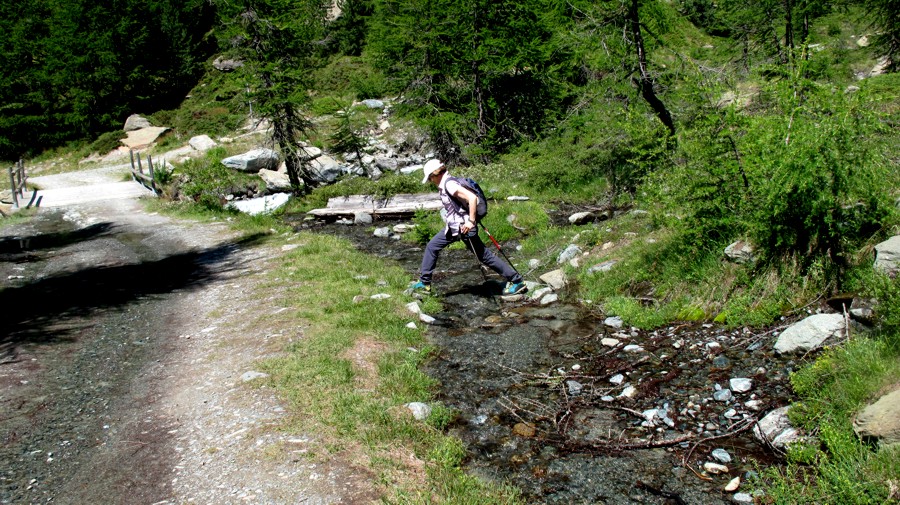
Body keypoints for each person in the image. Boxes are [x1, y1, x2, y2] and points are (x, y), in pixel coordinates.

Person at [410, 159, 527, 296]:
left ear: (436, 174)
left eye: (430, 178)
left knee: (484, 256)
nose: (431, 181)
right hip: (454, 227)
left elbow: (472, 198)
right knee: (432, 246)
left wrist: (471, 221)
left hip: (464, 227)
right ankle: (425, 283)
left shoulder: (449, 184)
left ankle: (517, 281)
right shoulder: (447, 182)